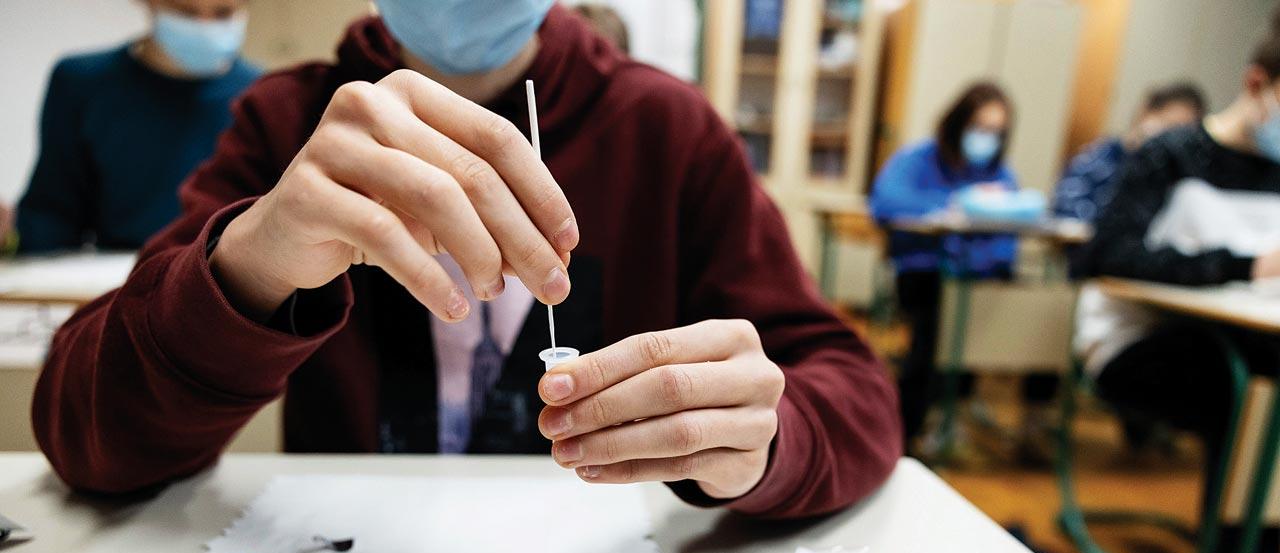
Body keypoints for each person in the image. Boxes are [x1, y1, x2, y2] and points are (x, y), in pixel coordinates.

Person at [31, 2, 901, 521]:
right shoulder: (283, 124)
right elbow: (85, 435)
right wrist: (247, 268)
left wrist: (764, 443)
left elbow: (854, 392)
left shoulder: (668, 132)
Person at [1074, 33, 1280, 553]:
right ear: (1257, 85)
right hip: (1139, 342)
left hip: (1247, 347)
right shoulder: (1171, 155)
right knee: (1252, 398)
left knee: (1264, 389)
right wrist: (1241, 266)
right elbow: (1107, 255)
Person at [870, 81, 1055, 460]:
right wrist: (953, 204)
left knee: (1047, 312)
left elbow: (1009, 238)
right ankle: (910, 431)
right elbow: (886, 202)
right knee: (940, 323)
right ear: (957, 123)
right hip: (925, 273)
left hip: (981, 277)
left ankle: (1032, 425)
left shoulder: (998, 175)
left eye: (995, 132)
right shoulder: (917, 160)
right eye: (979, 128)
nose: (985, 139)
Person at [15, 0, 259, 254]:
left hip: (219, 277)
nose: (205, 25)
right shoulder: (81, 83)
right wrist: (15, 238)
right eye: (185, 12)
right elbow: (52, 215)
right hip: (113, 276)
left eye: (223, 12)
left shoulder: (262, 96)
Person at [1054, 82, 1206, 223]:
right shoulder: (1098, 158)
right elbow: (1068, 214)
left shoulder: (1176, 181)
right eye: (1169, 125)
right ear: (1146, 113)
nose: (1172, 139)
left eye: (1183, 133)